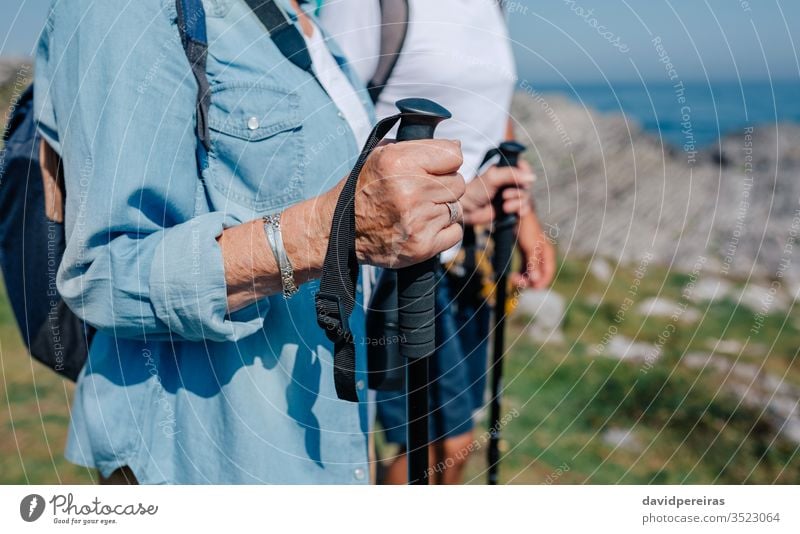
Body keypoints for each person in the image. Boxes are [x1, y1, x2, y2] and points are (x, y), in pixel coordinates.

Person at [34, 0, 465, 484]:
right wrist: (329, 230)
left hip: (318, 440)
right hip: (203, 460)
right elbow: (104, 273)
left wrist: (415, 207)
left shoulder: (303, 21)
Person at [320, 0, 557, 484]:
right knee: (439, 442)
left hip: (466, 256)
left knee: (451, 433)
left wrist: (527, 222)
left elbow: (491, 110)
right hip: (395, 260)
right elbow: (323, 118)